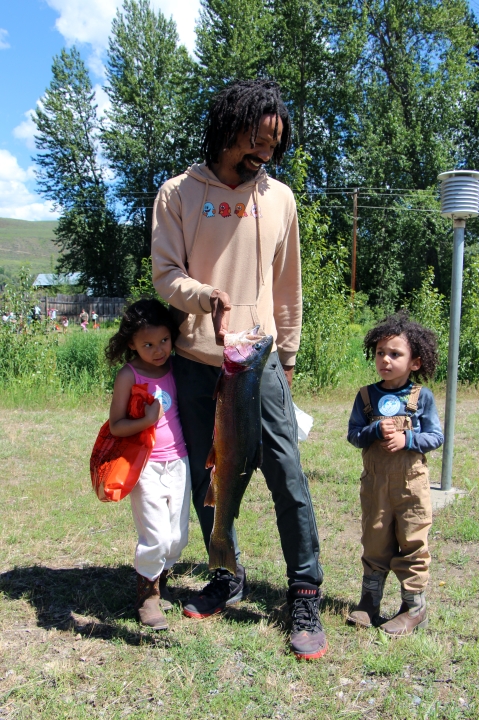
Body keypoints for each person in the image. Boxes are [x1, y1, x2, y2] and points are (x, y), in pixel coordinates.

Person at [151, 80, 326, 660]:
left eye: (275, 144)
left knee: (286, 474)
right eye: (256, 140)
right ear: (227, 128)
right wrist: (207, 297)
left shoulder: (280, 199)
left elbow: (289, 290)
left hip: (260, 363)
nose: (265, 154)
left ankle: (304, 590)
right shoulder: (178, 193)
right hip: (197, 363)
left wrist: (291, 356)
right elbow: (165, 274)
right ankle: (226, 575)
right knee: (209, 478)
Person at [347, 312, 444, 636]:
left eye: (395, 354)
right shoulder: (366, 396)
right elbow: (354, 435)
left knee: (412, 541)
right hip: (376, 485)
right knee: (375, 540)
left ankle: (413, 607)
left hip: (411, 487)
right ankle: (369, 603)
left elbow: (436, 436)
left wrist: (408, 439)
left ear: (415, 362)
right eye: (380, 353)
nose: (385, 360)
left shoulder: (422, 397)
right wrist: (374, 429)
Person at [105, 298, 191, 630]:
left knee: (177, 537)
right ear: (132, 343)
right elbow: (116, 425)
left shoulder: (177, 368)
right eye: (148, 344)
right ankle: (147, 597)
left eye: (164, 341)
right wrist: (148, 420)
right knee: (155, 533)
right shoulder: (129, 375)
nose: (158, 350)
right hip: (145, 466)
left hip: (179, 462)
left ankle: (161, 579)